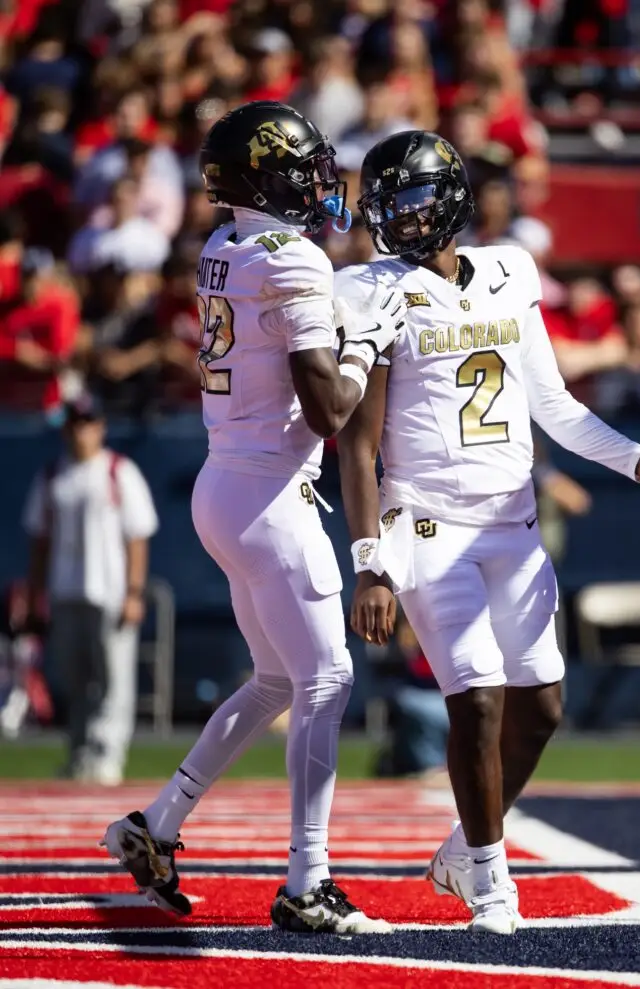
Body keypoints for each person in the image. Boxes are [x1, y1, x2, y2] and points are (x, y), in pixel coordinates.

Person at [334, 130, 640, 935]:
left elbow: (553, 404)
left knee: (544, 704)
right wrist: (371, 563)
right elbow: (358, 441)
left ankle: (465, 846)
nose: (400, 217)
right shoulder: (372, 288)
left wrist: (633, 460)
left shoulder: (508, 270)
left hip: (512, 521)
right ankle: (494, 885)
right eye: (388, 203)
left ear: (453, 198)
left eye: (415, 199)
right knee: (478, 698)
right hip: (423, 520)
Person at [101, 101, 403, 934]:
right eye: (302, 170)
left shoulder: (222, 244)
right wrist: (364, 342)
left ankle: (155, 824)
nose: (316, 185)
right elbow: (328, 409)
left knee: (279, 679)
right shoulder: (296, 258)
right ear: (266, 176)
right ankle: (308, 879)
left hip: (225, 486)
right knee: (328, 678)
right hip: (271, 495)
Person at [22, 394, 158, 784]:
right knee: (73, 677)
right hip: (66, 593)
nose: (82, 431)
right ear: (67, 428)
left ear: (101, 427)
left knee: (112, 678)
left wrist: (134, 592)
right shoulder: (53, 477)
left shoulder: (119, 471)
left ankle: (108, 754)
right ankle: (79, 752)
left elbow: (137, 537)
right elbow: (40, 542)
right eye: (76, 423)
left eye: (89, 423)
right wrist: (35, 596)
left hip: (110, 592)